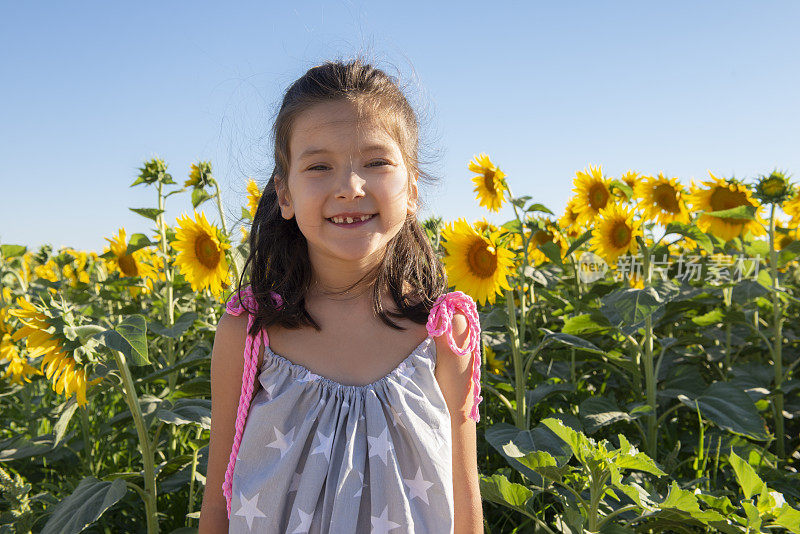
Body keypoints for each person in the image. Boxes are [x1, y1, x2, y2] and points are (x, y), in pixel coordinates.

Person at [199, 56, 484, 533]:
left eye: (375, 162)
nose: (350, 188)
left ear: (412, 187)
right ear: (284, 195)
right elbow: (218, 500)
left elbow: (465, 497)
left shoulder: (444, 334)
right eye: (318, 166)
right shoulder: (249, 334)